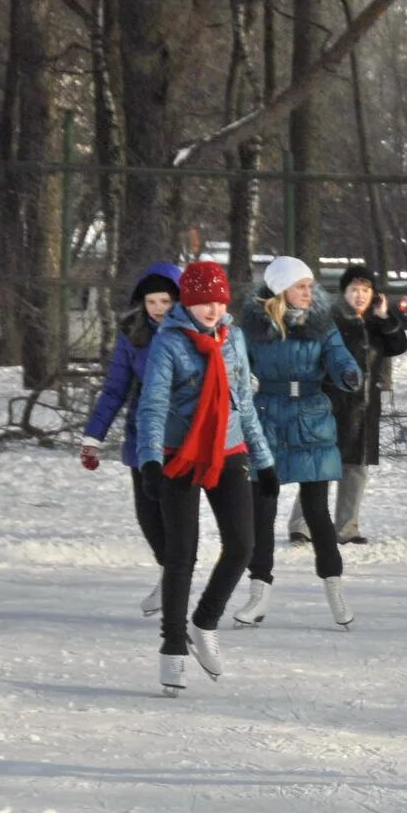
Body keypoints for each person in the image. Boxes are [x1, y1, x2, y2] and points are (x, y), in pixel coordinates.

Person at [135, 262, 276, 696]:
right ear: (187, 303)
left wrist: (265, 459)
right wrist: (151, 462)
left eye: (218, 300)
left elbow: (244, 406)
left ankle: (203, 623)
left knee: (242, 546)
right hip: (182, 457)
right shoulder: (169, 344)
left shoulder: (233, 338)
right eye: (202, 301)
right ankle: (172, 648)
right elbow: (152, 406)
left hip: (229, 452)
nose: (212, 308)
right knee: (181, 554)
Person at [237, 256, 364, 628]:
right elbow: (238, 366)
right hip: (268, 419)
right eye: (301, 286)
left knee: (317, 512)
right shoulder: (254, 328)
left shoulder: (323, 326)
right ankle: (258, 594)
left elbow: (339, 357)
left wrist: (348, 373)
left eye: (310, 285)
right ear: (281, 290)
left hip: (311, 418)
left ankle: (336, 592)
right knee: (263, 511)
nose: (309, 292)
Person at [81, 261, 181, 615]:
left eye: (165, 301)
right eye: (152, 302)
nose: (158, 309)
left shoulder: (191, 330)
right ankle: (172, 575)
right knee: (148, 517)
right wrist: (93, 436)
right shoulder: (132, 332)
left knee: (176, 515)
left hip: (182, 436)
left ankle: (175, 587)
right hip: (143, 436)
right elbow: (114, 389)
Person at [287, 265, 407, 546]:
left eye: (366, 290)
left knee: (356, 467)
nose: (360, 295)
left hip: (364, 407)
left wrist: (384, 317)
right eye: (354, 289)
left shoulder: (377, 323)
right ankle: (301, 525)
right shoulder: (329, 320)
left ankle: (347, 527)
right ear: (344, 292)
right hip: (330, 403)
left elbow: (397, 345)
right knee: (319, 466)